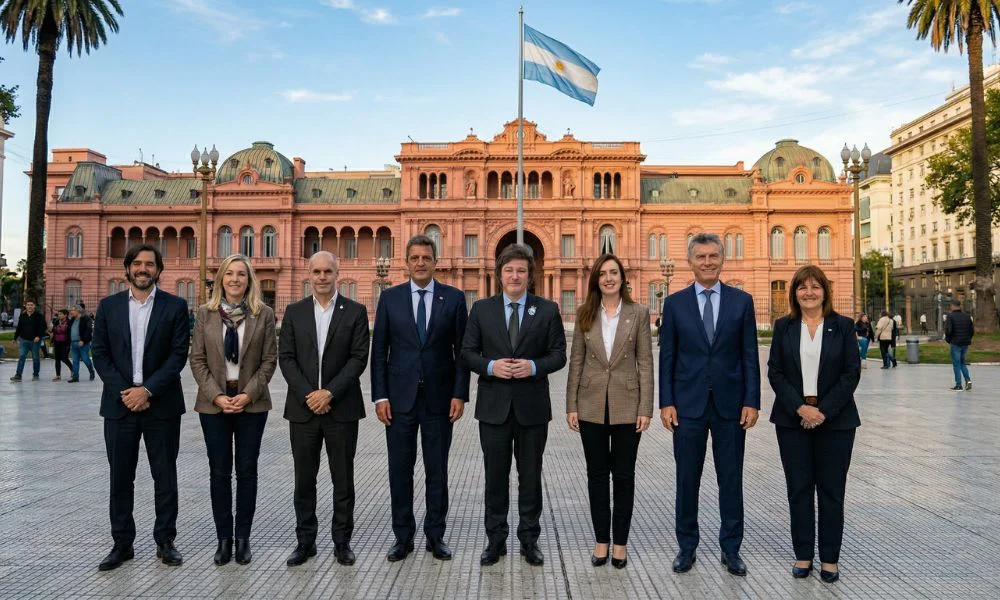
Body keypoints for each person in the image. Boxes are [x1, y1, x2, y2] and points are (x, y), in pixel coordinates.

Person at [659, 232, 760, 578]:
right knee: (687, 479)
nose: (707, 262)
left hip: (731, 406)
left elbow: (749, 355)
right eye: (700, 257)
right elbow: (667, 357)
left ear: (722, 259)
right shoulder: (674, 304)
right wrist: (666, 402)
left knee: (730, 479)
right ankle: (686, 547)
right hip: (687, 406)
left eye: (713, 256)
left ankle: (731, 549)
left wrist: (752, 400)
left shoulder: (741, 302)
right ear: (690, 261)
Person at [461, 243, 567, 567]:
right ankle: (495, 541)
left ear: (530, 275)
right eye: (509, 270)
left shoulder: (546, 309)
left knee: (530, 477)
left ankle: (529, 540)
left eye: (521, 270)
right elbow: (467, 353)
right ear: (500, 275)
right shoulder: (482, 309)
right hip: (493, 408)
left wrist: (533, 366)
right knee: (495, 477)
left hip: (532, 408)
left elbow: (559, 355)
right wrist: (491, 366)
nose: (515, 276)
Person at [91, 244, 191, 571]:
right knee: (120, 478)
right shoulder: (108, 307)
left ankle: (165, 541)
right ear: (128, 268)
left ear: (159, 270)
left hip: (161, 405)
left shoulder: (175, 306)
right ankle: (122, 544)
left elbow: (178, 355)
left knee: (165, 476)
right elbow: (100, 354)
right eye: (137, 263)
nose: (143, 268)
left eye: (149, 264)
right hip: (119, 405)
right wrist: (127, 392)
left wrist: (147, 390)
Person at [371, 235, 470, 562]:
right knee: (400, 470)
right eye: (414, 258)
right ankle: (403, 536)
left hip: (440, 400)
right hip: (399, 401)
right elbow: (379, 351)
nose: (420, 263)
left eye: (426, 257)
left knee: (437, 470)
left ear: (435, 262)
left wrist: (459, 394)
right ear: (406, 262)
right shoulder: (390, 298)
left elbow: (462, 352)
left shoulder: (454, 299)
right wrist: (380, 396)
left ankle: (435, 535)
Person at [767, 265, 861, 584]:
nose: (809, 292)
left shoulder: (843, 326)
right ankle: (803, 554)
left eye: (815, 286)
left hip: (836, 422)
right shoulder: (784, 327)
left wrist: (822, 411)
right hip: (792, 420)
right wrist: (800, 408)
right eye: (802, 287)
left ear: (825, 291)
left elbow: (851, 373)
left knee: (832, 492)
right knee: (799, 490)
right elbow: (775, 372)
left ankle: (830, 559)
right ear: (794, 293)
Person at [279, 251, 370, 567]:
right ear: (309, 274)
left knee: (343, 480)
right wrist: (310, 395)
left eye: (327, 271)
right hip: (303, 410)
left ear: (337, 273)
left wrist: (329, 393)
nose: (321, 277)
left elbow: (358, 358)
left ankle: (342, 543)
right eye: (316, 271)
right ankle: (305, 542)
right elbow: (286, 358)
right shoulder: (295, 312)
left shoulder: (355, 311)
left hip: (341, 408)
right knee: (304, 480)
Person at [565, 254, 653, 569]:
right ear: (596, 280)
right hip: (591, 405)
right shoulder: (585, 313)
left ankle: (620, 544)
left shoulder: (638, 313)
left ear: (622, 278)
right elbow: (576, 361)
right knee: (597, 476)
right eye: (602, 274)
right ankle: (601, 541)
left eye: (613, 272)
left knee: (624, 476)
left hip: (628, 405)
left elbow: (645, 362)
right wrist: (571, 405)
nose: (609, 278)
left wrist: (646, 407)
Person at [189, 254, 277, 566]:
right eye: (229, 274)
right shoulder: (205, 313)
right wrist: (216, 396)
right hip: (214, 403)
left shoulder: (263, 314)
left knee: (247, 471)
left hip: (251, 403)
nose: (235, 279)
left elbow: (269, 360)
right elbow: (197, 359)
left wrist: (247, 394)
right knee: (219, 471)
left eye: (241, 274)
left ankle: (243, 539)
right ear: (221, 279)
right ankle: (223, 539)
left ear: (249, 279)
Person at [10, 299, 46, 382]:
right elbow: (19, 328)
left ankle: (36, 374)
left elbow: (43, 327)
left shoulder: (39, 316)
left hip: (35, 341)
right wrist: (15, 338)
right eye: (28, 305)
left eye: (31, 305)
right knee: (22, 357)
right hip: (24, 340)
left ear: (34, 306)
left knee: (35, 358)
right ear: (25, 306)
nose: (30, 306)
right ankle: (18, 375)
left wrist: (38, 336)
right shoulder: (23, 316)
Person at [944, 299, 974, 391]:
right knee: (962, 362)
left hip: (955, 342)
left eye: (950, 306)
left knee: (956, 364)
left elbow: (948, 330)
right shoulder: (967, 316)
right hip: (965, 342)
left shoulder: (950, 316)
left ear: (953, 306)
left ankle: (958, 385)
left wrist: (948, 340)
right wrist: (968, 338)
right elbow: (971, 330)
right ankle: (968, 380)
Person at [68, 305, 96, 382]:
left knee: (85, 359)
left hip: (83, 343)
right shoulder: (72, 320)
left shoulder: (86, 319)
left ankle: (91, 371)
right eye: (71, 310)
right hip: (73, 343)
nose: (71, 312)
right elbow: (69, 331)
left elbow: (88, 330)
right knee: (75, 361)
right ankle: (75, 377)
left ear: (78, 310)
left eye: (73, 310)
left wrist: (83, 340)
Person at [50, 309, 73, 381]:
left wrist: (69, 343)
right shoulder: (56, 321)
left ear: (65, 315)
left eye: (61, 314)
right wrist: (52, 340)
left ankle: (73, 370)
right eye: (59, 314)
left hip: (65, 343)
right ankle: (58, 375)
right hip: (57, 342)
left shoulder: (69, 322)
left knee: (64, 358)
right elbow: (53, 331)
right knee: (57, 359)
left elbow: (70, 333)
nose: (59, 315)